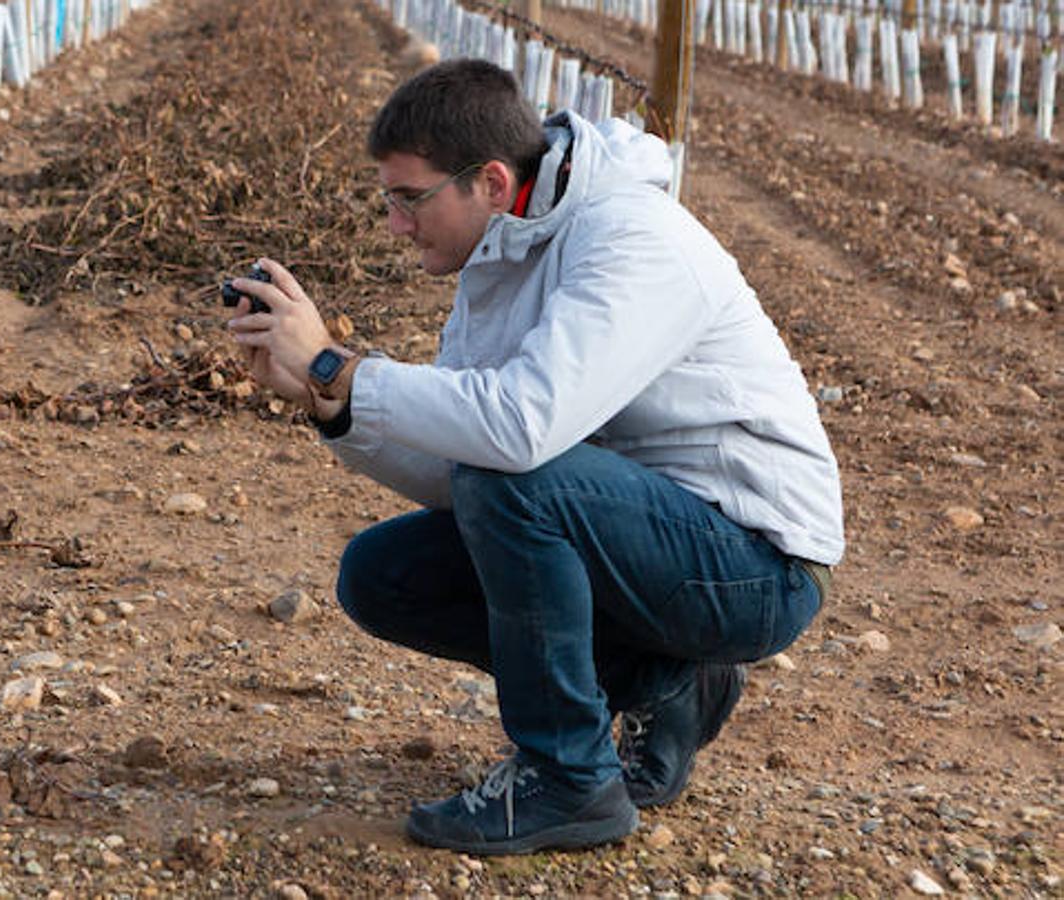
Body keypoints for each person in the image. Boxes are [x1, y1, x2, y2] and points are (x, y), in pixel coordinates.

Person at [224, 59, 844, 856]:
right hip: (650, 540)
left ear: (487, 180)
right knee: (383, 577)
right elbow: (461, 470)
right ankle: (668, 680)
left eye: (408, 198)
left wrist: (340, 366)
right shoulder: (502, 256)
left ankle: (567, 778)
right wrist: (329, 402)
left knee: (510, 467)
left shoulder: (629, 237)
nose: (395, 224)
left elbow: (516, 434)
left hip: (758, 564)